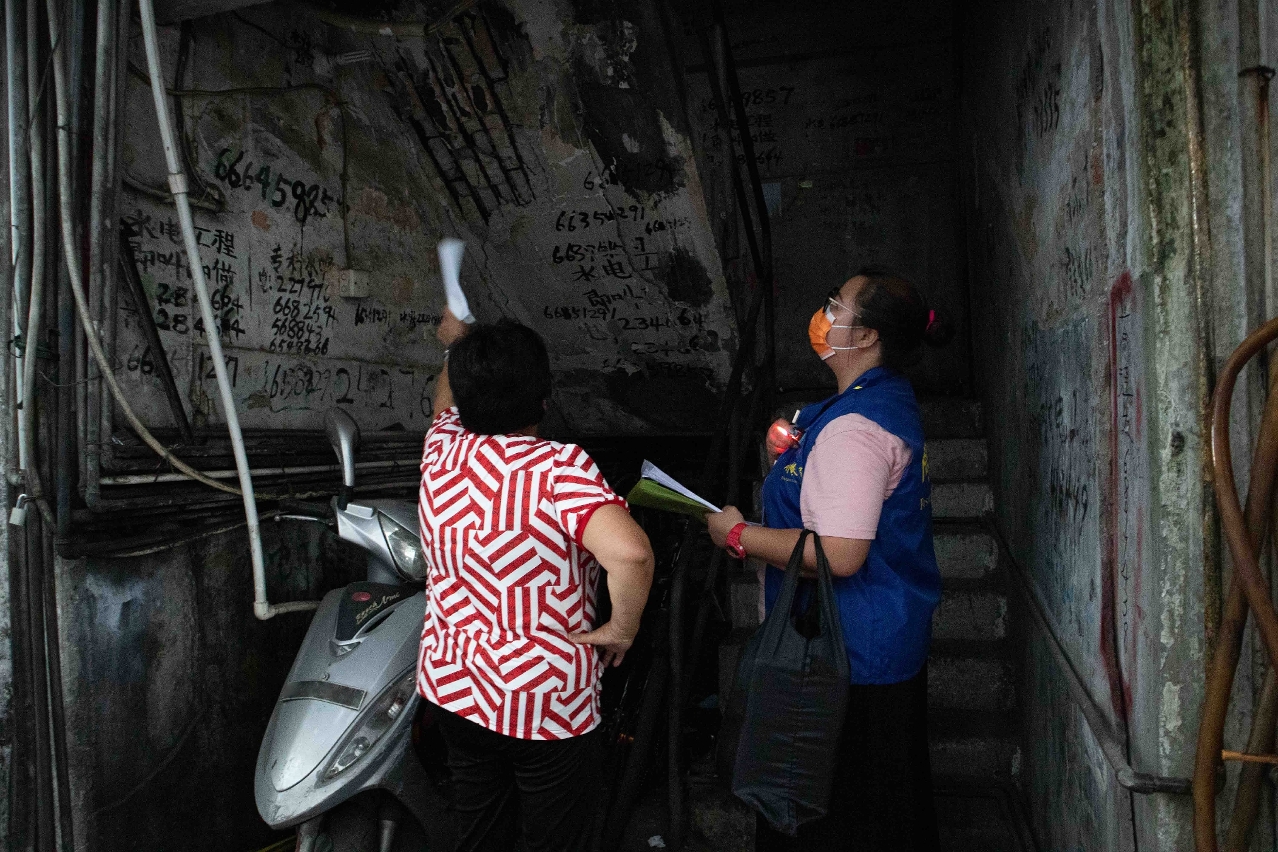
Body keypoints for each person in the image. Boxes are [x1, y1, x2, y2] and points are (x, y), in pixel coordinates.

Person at [707, 266, 951, 852]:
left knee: (829, 817)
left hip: (844, 658)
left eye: (836, 305)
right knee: (882, 809)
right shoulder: (875, 402)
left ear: (865, 336)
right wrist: (792, 456)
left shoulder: (855, 429)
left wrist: (738, 534)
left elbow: (840, 554)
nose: (823, 315)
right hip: (880, 640)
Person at [417, 309, 655, 852]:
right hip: (544, 702)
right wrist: (622, 628)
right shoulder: (560, 469)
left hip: (456, 688)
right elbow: (633, 556)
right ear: (545, 399)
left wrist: (455, 347)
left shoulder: (442, 450)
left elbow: (443, 402)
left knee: (480, 833)